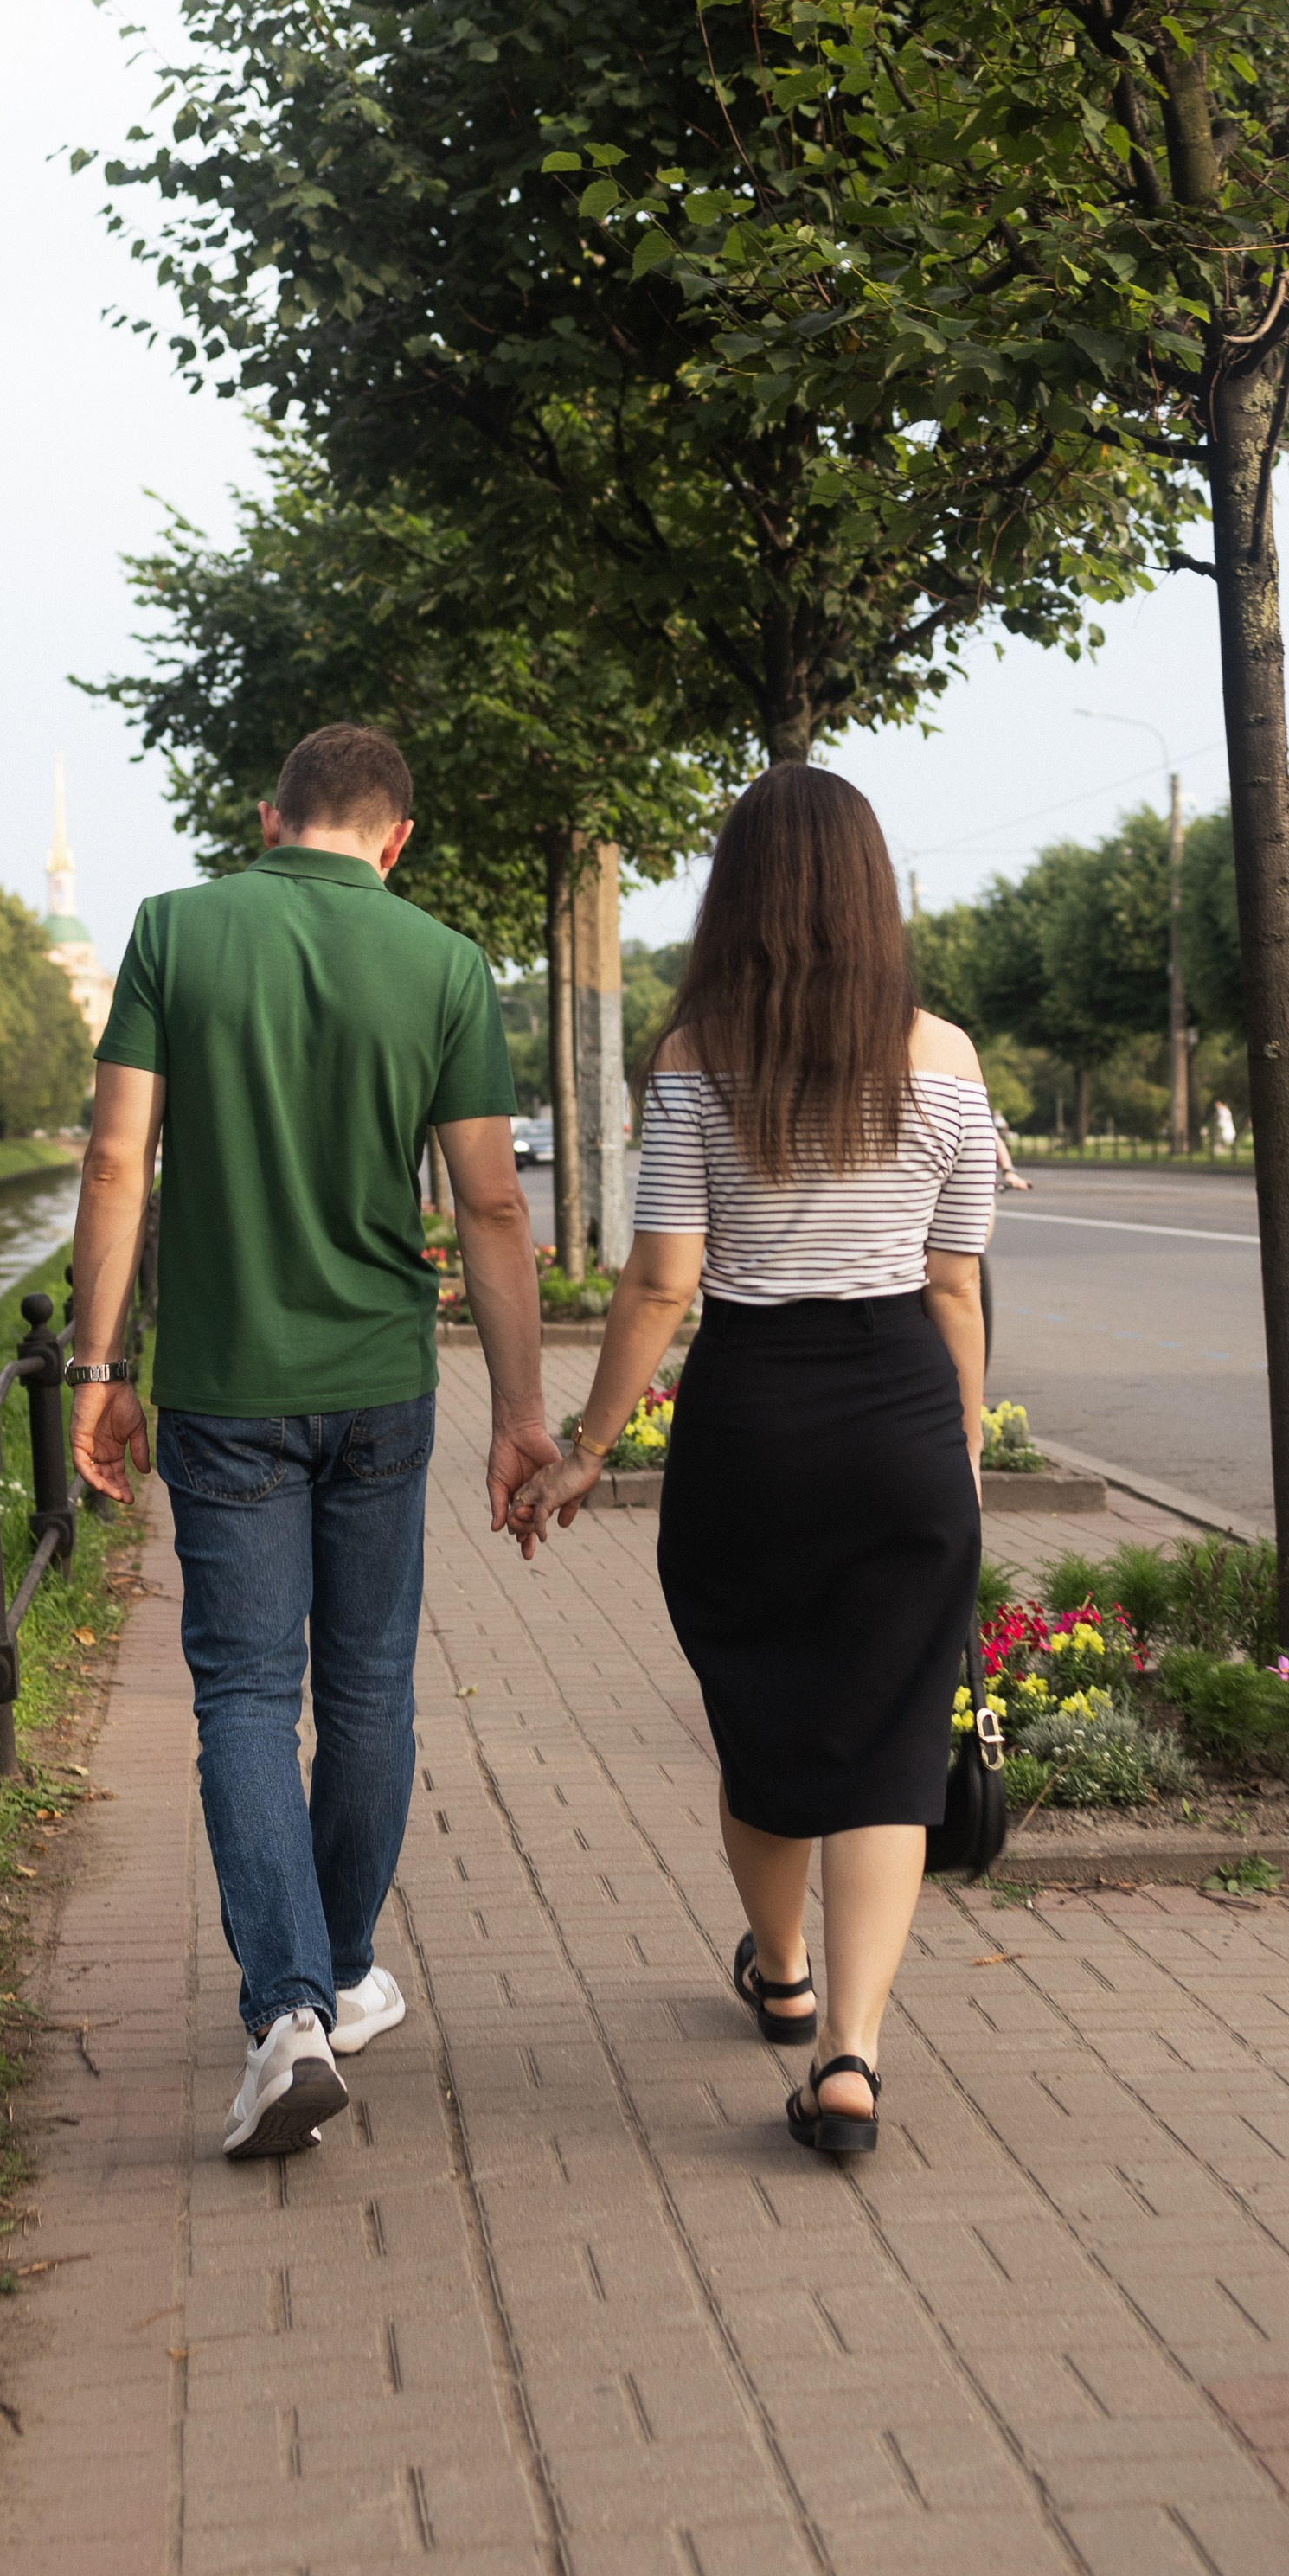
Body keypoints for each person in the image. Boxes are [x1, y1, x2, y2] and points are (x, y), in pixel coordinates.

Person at [66, 724, 554, 2159]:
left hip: (223, 1385)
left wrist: (100, 1368)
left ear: (270, 820)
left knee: (238, 1692)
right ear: (395, 840)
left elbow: (115, 1160)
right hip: (382, 1380)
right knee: (369, 1687)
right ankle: (331, 1981)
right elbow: (491, 1207)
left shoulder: (173, 930)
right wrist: (523, 1417)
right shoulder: (447, 964)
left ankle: (289, 2011)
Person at [510, 766, 992, 2159]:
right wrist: (955, 1453)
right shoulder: (947, 1059)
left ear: (739, 897)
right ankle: (852, 2055)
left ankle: (780, 1974)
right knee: (895, 1740)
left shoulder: (695, 1058)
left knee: (766, 1712)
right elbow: (954, 1286)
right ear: (871, 893)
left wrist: (588, 1448)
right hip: (902, 1406)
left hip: (755, 1419)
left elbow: (661, 1286)